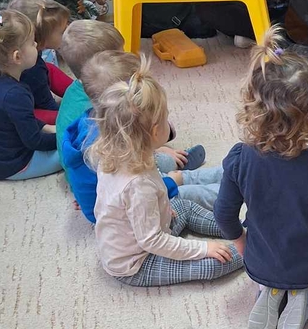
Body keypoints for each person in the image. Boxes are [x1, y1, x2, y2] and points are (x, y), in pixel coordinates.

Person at [214, 28, 308, 329]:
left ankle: (268, 288)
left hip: (259, 262)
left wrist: (243, 245)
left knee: (270, 267)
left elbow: (223, 214)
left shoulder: (239, 159)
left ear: (252, 106)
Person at [90, 63, 242, 287]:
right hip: (137, 263)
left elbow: (126, 204)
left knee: (184, 206)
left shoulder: (122, 154)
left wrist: (161, 208)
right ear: (154, 132)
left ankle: (242, 231)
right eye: (165, 118)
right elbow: (152, 241)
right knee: (212, 263)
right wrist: (203, 248)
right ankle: (255, 248)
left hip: (148, 229)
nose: (169, 122)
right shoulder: (137, 185)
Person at [63, 51, 223, 221]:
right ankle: (230, 191)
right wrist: (172, 182)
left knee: (165, 161)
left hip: (126, 183)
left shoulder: (99, 123)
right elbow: (141, 192)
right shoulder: (117, 156)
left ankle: (222, 172)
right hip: (129, 211)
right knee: (189, 193)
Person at [0, 9, 61, 180]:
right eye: (32, 43)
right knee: (81, 148)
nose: (36, 45)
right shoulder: (15, 94)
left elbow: (19, 120)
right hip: (16, 165)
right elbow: (35, 141)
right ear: (17, 57)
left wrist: (48, 128)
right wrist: (65, 136)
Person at [56, 19, 125, 148]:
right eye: (120, 57)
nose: (126, 57)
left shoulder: (74, 88)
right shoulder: (101, 104)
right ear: (100, 68)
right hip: (87, 158)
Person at [6, 0, 73, 124]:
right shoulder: (33, 70)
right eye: (62, 32)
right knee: (68, 118)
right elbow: (45, 104)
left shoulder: (27, 54)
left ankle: (80, 91)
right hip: (26, 111)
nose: (67, 33)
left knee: (49, 68)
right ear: (40, 38)